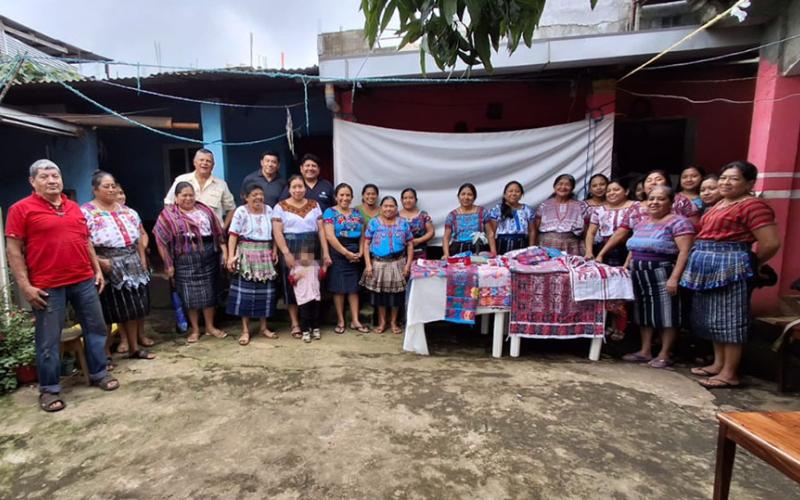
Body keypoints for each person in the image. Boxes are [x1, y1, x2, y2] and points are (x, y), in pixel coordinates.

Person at [6, 160, 119, 412]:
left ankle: (99, 374)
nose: (52, 180)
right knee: (48, 339)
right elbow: (13, 250)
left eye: (55, 175)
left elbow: (86, 241)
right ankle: (49, 389)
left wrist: (96, 270)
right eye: (44, 176)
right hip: (47, 286)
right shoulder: (21, 209)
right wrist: (25, 286)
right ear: (32, 182)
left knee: (96, 329)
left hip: (83, 280)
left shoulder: (74, 208)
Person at [680, 161, 780, 389]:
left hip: (731, 266)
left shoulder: (753, 206)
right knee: (712, 318)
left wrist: (752, 263)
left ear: (749, 183)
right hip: (706, 266)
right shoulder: (719, 204)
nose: (725, 182)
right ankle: (718, 364)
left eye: (733, 178)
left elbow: (771, 243)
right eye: (723, 177)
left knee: (730, 320)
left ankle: (729, 372)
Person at [598, 186, 695, 368]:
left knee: (667, 313)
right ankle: (645, 350)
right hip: (639, 272)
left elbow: (684, 252)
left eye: (660, 199)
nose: (654, 202)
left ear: (671, 202)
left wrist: (674, 278)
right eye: (651, 199)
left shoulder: (679, 222)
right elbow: (634, 248)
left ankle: (665, 353)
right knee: (643, 312)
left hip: (663, 271)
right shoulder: (642, 222)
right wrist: (626, 267)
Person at [82, 171, 153, 360]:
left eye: (113, 185)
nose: (111, 189)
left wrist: (142, 260)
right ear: (95, 189)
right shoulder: (86, 212)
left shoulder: (128, 211)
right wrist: (97, 262)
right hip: (105, 263)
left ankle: (134, 348)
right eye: (106, 186)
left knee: (131, 309)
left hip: (131, 263)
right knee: (105, 311)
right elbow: (83, 241)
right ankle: (104, 355)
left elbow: (139, 237)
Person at [154, 182, 228, 343]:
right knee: (189, 295)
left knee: (210, 293)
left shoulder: (205, 210)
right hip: (184, 258)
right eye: (184, 195)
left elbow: (218, 233)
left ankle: (210, 326)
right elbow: (161, 241)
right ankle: (195, 329)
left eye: (191, 195)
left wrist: (225, 253)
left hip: (209, 255)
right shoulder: (168, 215)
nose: (188, 198)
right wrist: (168, 264)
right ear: (177, 197)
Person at [272, 175, 332, 339]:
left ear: (305, 188)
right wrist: (285, 252)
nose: (298, 190)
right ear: (289, 189)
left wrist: (325, 252)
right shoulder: (280, 207)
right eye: (294, 187)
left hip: (310, 247)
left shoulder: (314, 205)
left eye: (301, 186)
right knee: (292, 284)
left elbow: (321, 230)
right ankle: (295, 323)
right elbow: (277, 231)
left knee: (311, 285)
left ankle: (313, 323)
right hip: (290, 246)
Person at [225, 184, 279, 346]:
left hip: (265, 254)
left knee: (265, 293)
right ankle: (245, 330)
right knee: (246, 294)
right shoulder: (241, 211)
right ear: (246, 197)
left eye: (260, 194)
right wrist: (230, 257)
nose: (258, 198)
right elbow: (233, 235)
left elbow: (275, 233)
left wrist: (275, 250)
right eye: (254, 194)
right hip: (246, 254)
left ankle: (263, 327)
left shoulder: (269, 210)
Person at [360, 196, 414, 334]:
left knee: (396, 296)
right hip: (379, 263)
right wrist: (368, 264)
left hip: (398, 263)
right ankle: (382, 322)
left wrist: (408, 265)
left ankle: (394, 322)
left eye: (391, 206)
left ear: (396, 208)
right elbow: (366, 243)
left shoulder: (403, 223)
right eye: (385, 206)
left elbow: (410, 244)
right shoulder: (374, 223)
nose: (388, 209)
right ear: (381, 208)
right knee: (381, 296)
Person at [113, 182, 155, 353]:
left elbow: (142, 233)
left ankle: (141, 334)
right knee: (122, 304)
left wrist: (142, 248)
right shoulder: (99, 214)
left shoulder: (131, 213)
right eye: (116, 194)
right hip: (117, 265)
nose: (120, 196)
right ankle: (124, 339)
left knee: (139, 302)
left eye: (121, 193)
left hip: (136, 261)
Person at [323, 183, 369, 334]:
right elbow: (329, 236)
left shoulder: (357, 213)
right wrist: (345, 252)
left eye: (348, 195)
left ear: (352, 197)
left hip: (355, 252)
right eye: (341, 195)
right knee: (339, 288)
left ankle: (355, 320)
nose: (345, 198)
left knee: (354, 288)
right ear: (336, 197)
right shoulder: (330, 212)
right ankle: (341, 320)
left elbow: (363, 235)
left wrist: (361, 252)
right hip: (338, 252)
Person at [164, 149, 235, 225]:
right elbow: (168, 203)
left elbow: (231, 209)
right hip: (186, 233)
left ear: (213, 165)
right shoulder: (181, 180)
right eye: (201, 160)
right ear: (194, 162)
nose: (204, 163)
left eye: (208, 161)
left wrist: (223, 229)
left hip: (213, 234)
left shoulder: (221, 184)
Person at [532, 174, 586, 255]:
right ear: (554, 187)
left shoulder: (580, 206)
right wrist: (533, 246)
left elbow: (586, 229)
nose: (563, 187)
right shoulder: (544, 205)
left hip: (572, 245)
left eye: (567, 185)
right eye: (560, 184)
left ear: (572, 188)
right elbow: (535, 227)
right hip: (546, 245)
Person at [584, 179, 635, 264]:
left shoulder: (635, 206)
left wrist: (601, 254)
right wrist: (589, 251)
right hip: (604, 249)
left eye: (616, 190)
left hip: (628, 249)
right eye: (608, 191)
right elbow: (591, 232)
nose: (611, 193)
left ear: (626, 191)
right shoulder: (600, 210)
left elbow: (623, 232)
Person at [442, 183, 495, 258]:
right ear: (458, 196)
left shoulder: (482, 212)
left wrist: (493, 252)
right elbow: (446, 237)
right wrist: (446, 254)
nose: (466, 197)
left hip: (478, 251)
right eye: (463, 194)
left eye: (469, 194)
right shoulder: (452, 215)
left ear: (474, 197)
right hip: (458, 251)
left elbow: (490, 233)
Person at [486, 181, 535, 254]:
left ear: (521, 195)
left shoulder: (527, 210)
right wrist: (493, 251)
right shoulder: (497, 210)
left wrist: (531, 249)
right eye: (510, 191)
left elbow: (532, 231)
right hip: (502, 246)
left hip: (522, 245)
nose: (514, 194)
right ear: (505, 194)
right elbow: (491, 233)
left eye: (517, 191)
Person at [290, 249, 323, 343]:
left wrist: (325, 267)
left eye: (309, 255)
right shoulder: (296, 266)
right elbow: (291, 280)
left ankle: (315, 329)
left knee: (315, 314)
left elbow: (321, 275)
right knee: (305, 315)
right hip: (303, 296)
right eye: (304, 255)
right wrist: (297, 276)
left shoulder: (315, 264)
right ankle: (305, 331)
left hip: (315, 294)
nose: (307, 257)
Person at [399, 188, 434, 260]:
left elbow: (431, 232)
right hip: (400, 253)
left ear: (416, 200)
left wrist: (418, 241)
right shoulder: (396, 215)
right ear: (401, 200)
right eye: (405, 198)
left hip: (419, 251)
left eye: (411, 198)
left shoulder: (423, 215)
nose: (408, 200)